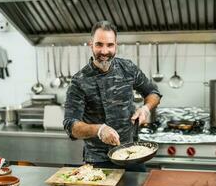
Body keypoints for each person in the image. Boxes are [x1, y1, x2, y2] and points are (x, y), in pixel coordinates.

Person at [63, 20, 161, 172]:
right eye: (99, 44)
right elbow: (70, 125)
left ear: (116, 45)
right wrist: (99, 130)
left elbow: (153, 93)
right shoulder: (79, 81)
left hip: (133, 154)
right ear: (91, 45)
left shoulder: (127, 68)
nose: (104, 51)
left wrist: (146, 109)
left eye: (109, 45)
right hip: (98, 161)